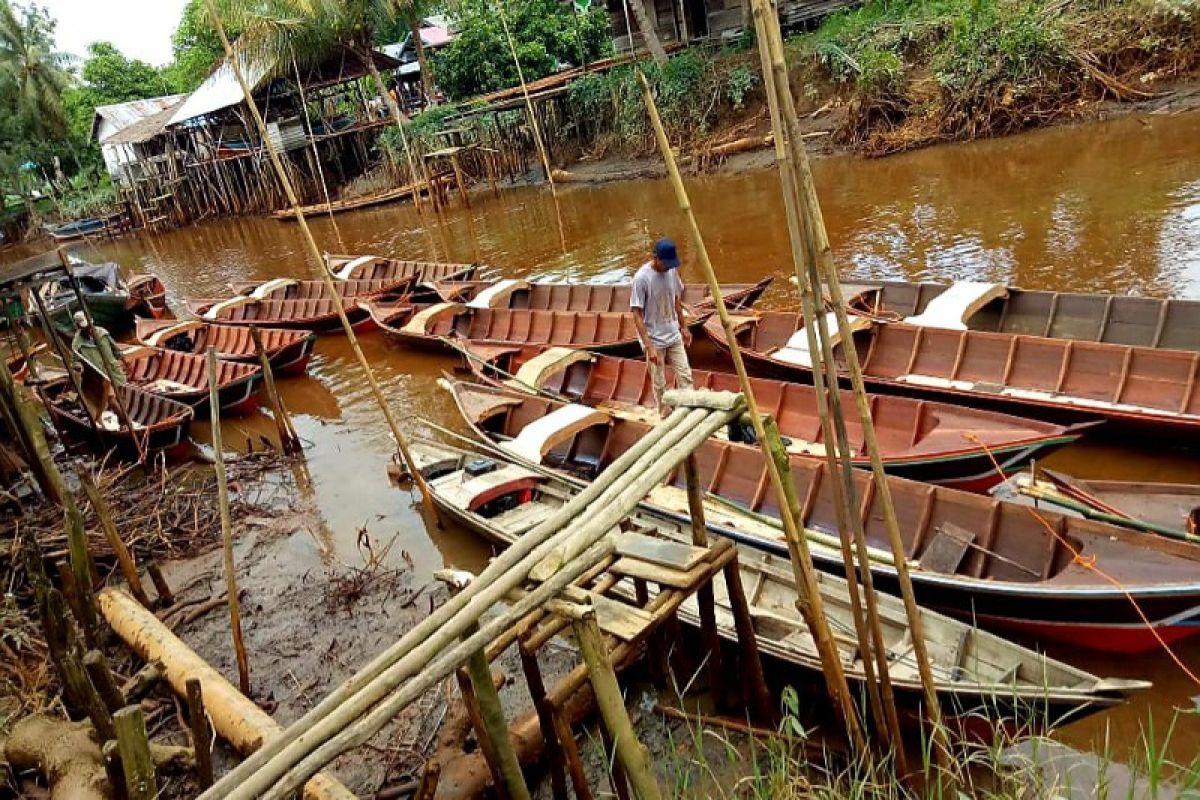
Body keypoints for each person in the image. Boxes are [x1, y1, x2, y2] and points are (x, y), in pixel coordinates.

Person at [630, 238, 694, 415]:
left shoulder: (671, 271)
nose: (668, 267)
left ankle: (688, 412)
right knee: (660, 384)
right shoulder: (642, 279)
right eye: (665, 263)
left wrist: (684, 327)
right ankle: (665, 415)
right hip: (654, 339)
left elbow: (676, 300)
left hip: (673, 334)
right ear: (656, 258)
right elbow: (636, 314)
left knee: (685, 376)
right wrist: (649, 346)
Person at [70, 310, 126, 385]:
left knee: (123, 388)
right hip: (99, 377)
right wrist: (79, 367)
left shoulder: (103, 333)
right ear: (78, 327)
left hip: (115, 371)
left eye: (90, 326)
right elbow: (75, 362)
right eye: (85, 328)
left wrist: (125, 362)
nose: (89, 329)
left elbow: (116, 350)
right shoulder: (77, 344)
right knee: (109, 393)